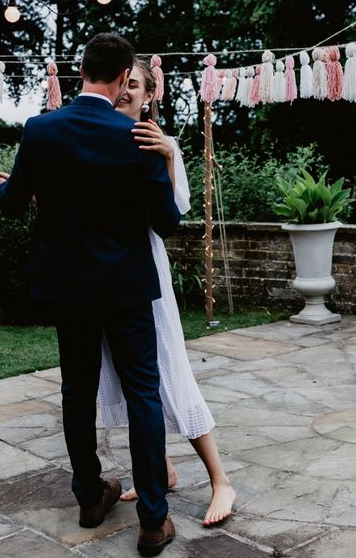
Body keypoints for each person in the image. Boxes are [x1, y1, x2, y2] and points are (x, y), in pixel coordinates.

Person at [0, 33, 178, 557]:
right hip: (126, 289)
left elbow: (11, 205)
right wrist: (161, 161)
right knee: (144, 394)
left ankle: (90, 497)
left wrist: (2, 189)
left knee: (78, 390)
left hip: (68, 289)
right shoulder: (136, 135)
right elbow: (167, 222)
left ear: (81, 72)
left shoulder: (42, 130)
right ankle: (152, 521)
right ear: (122, 78)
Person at [98, 56, 235, 526]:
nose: (124, 91)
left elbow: (174, 215)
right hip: (104, 284)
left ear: (150, 94)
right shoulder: (97, 140)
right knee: (130, 380)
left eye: (133, 84)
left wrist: (169, 157)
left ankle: (220, 479)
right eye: (120, 82)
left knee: (171, 375)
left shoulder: (163, 143)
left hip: (146, 280)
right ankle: (163, 469)